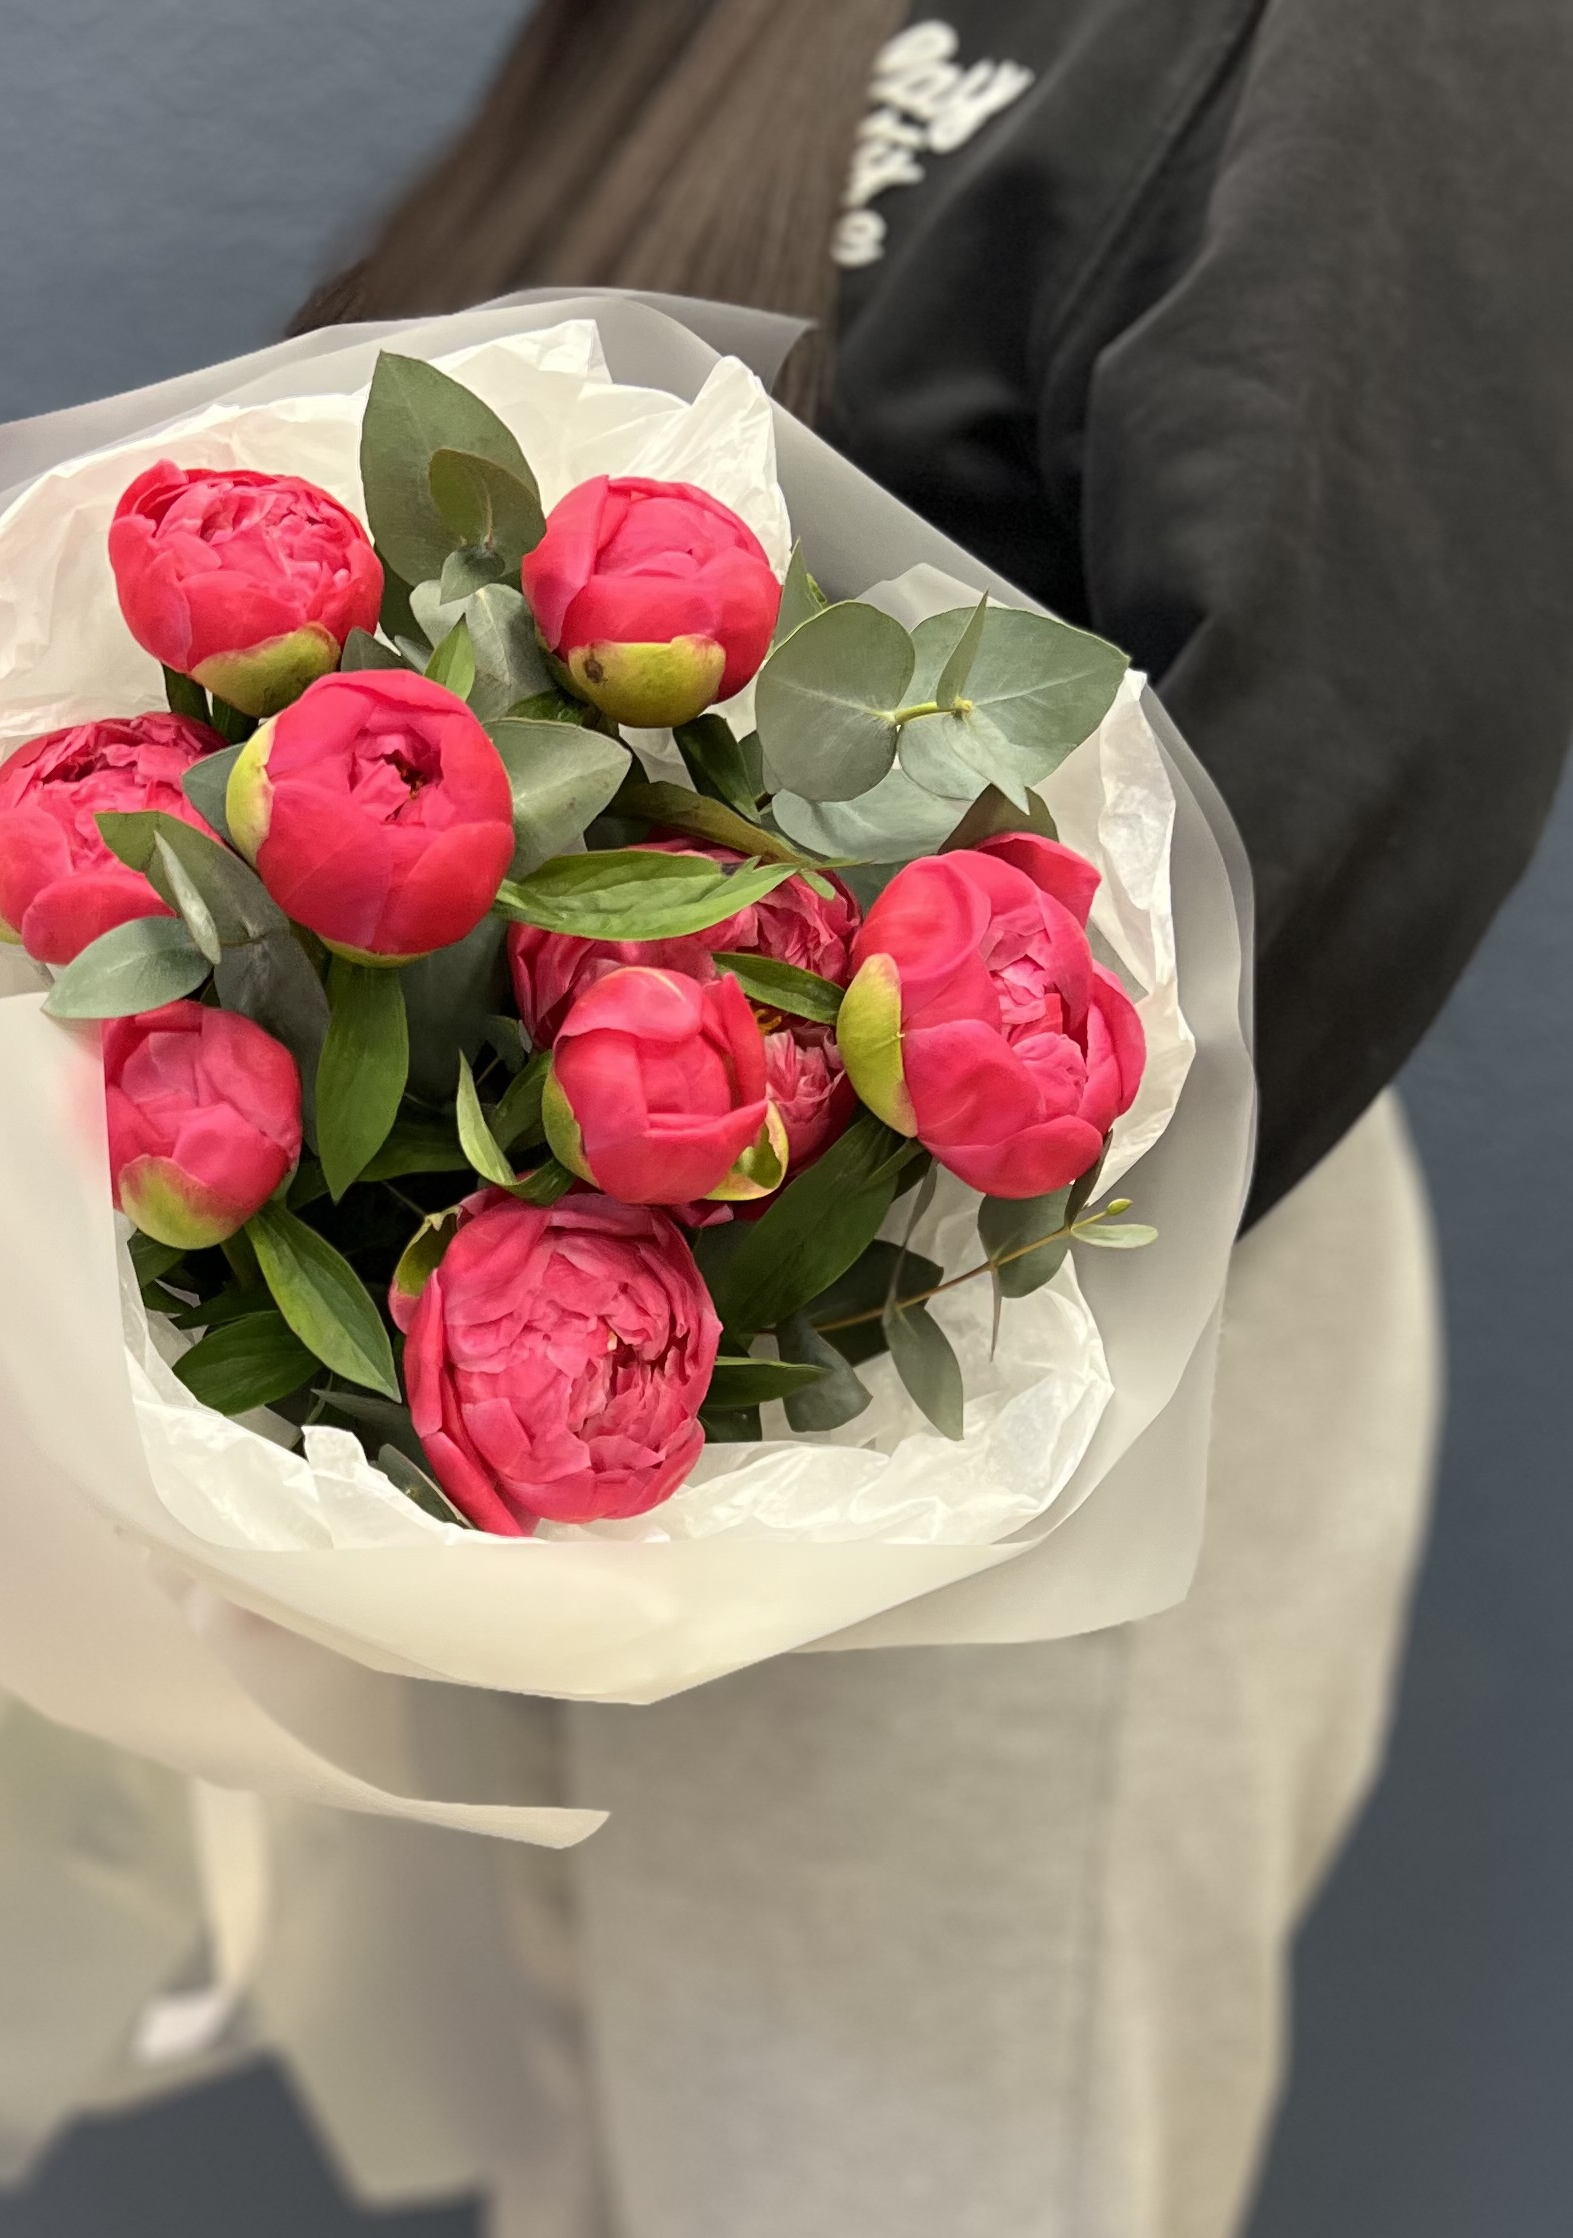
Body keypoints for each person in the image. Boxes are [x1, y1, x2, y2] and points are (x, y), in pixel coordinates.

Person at [286, 3, 1573, 2233]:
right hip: (563, 1320)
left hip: (995, 1322)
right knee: (608, 2169)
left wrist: (799, 1294)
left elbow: (1338, 736)